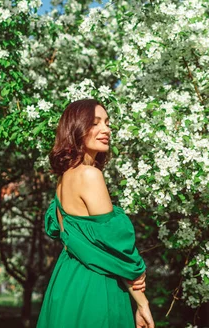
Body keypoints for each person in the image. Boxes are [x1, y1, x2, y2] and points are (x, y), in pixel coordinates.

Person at [36, 99, 155, 328]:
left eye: (108, 123)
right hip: (95, 286)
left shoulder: (64, 179)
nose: (106, 129)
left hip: (66, 283)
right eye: (95, 123)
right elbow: (114, 247)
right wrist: (142, 303)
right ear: (77, 129)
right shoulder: (90, 175)